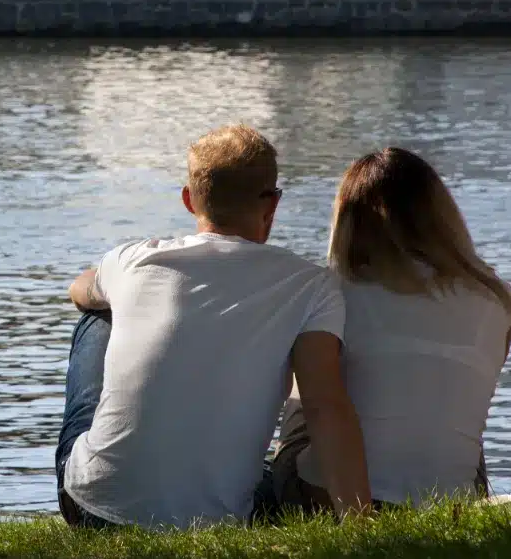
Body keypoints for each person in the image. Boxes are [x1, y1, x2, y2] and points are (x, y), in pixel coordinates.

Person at [57, 125, 371, 529]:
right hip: (216, 519)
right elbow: (324, 405)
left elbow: (78, 290)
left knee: (98, 317)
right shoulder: (310, 286)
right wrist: (360, 524)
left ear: (189, 200)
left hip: (93, 510)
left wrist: (116, 291)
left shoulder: (135, 259)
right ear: (272, 204)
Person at [272, 148, 511, 512]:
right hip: (453, 499)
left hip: (329, 496)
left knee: (306, 388)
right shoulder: (501, 298)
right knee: (450, 396)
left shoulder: (329, 291)